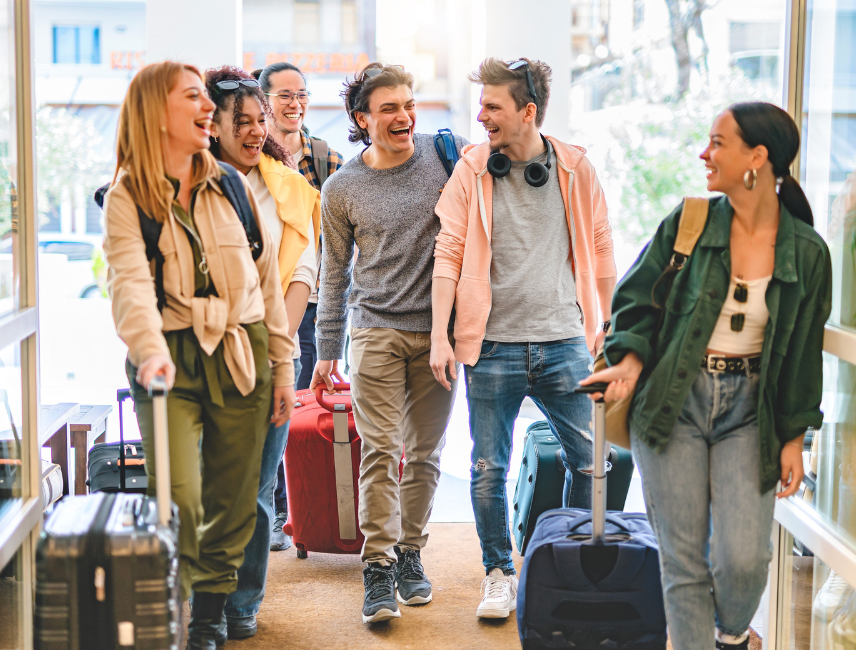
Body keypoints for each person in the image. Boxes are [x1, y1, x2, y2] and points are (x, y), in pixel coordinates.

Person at [582, 102, 831, 650]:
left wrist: (795, 436)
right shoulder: (689, 221)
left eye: (717, 142)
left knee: (744, 558)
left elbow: (804, 355)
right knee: (684, 558)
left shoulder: (808, 252)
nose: (704, 153)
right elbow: (636, 300)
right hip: (675, 399)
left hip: (752, 409)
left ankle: (733, 635)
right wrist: (626, 362)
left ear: (757, 158)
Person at [102, 61, 296, 650]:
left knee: (235, 501)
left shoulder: (233, 186)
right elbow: (130, 286)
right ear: (156, 112)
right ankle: (186, 599)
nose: (207, 107)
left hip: (243, 350)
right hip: (168, 358)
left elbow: (266, 286)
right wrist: (150, 352)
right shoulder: (128, 195)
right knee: (181, 497)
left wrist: (283, 368)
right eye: (193, 97)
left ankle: (209, 616)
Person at [431, 57, 616, 619]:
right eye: (480, 104)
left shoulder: (576, 169)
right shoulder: (471, 169)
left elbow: (603, 253)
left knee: (591, 462)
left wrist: (605, 332)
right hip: (491, 346)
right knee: (489, 467)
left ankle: (567, 564)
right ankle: (498, 574)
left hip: (565, 340)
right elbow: (449, 253)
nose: (480, 115)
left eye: (492, 106)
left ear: (527, 111)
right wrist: (441, 335)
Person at [312, 62, 468, 624]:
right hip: (374, 328)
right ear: (362, 119)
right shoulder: (341, 188)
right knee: (380, 451)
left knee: (425, 453)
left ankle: (410, 554)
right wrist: (326, 347)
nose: (404, 117)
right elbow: (334, 273)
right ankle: (376, 566)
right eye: (388, 109)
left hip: (439, 336)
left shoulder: (449, 157)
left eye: (407, 104)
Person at [203, 66, 321, 641]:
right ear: (212, 124)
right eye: (241, 122)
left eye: (259, 121)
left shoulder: (288, 186)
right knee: (204, 484)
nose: (254, 132)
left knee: (254, 487)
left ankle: (241, 601)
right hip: (202, 352)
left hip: (272, 352)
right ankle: (204, 599)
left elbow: (303, 269)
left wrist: (281, 349)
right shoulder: (188, 180)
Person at [254, 61, 345, 553]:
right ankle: (269, 507)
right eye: (285, 96)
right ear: (263, 101)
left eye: (302, 95)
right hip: (262, 299)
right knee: (268, 406)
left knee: (303, 404)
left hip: (312, 300)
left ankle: (294, 507)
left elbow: (337, 237)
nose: (296, 104)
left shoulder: (325, 158)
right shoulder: (248, 158)